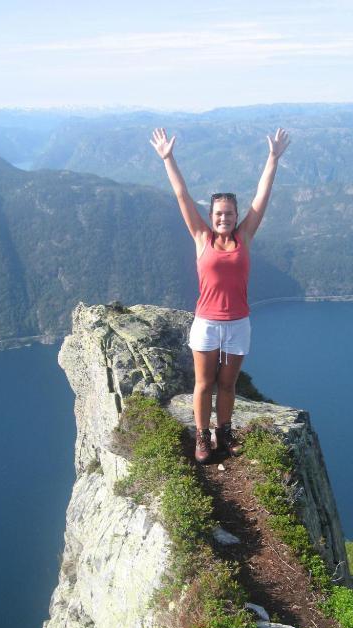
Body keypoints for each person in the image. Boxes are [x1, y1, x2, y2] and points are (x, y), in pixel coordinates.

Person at [150, 126, 290, 463]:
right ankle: (202, 437)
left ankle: (223, 433)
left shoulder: (245, 236)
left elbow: (262, 196)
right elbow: (182, 195)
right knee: (203, 384)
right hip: (207, 324)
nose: (223, 218)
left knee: (227, 385)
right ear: (211, 218)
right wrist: (168, 159)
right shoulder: (202, 237)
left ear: (236, 215)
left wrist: (273, 158)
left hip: (238, 323)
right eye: (218, 214)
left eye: (229, 213)